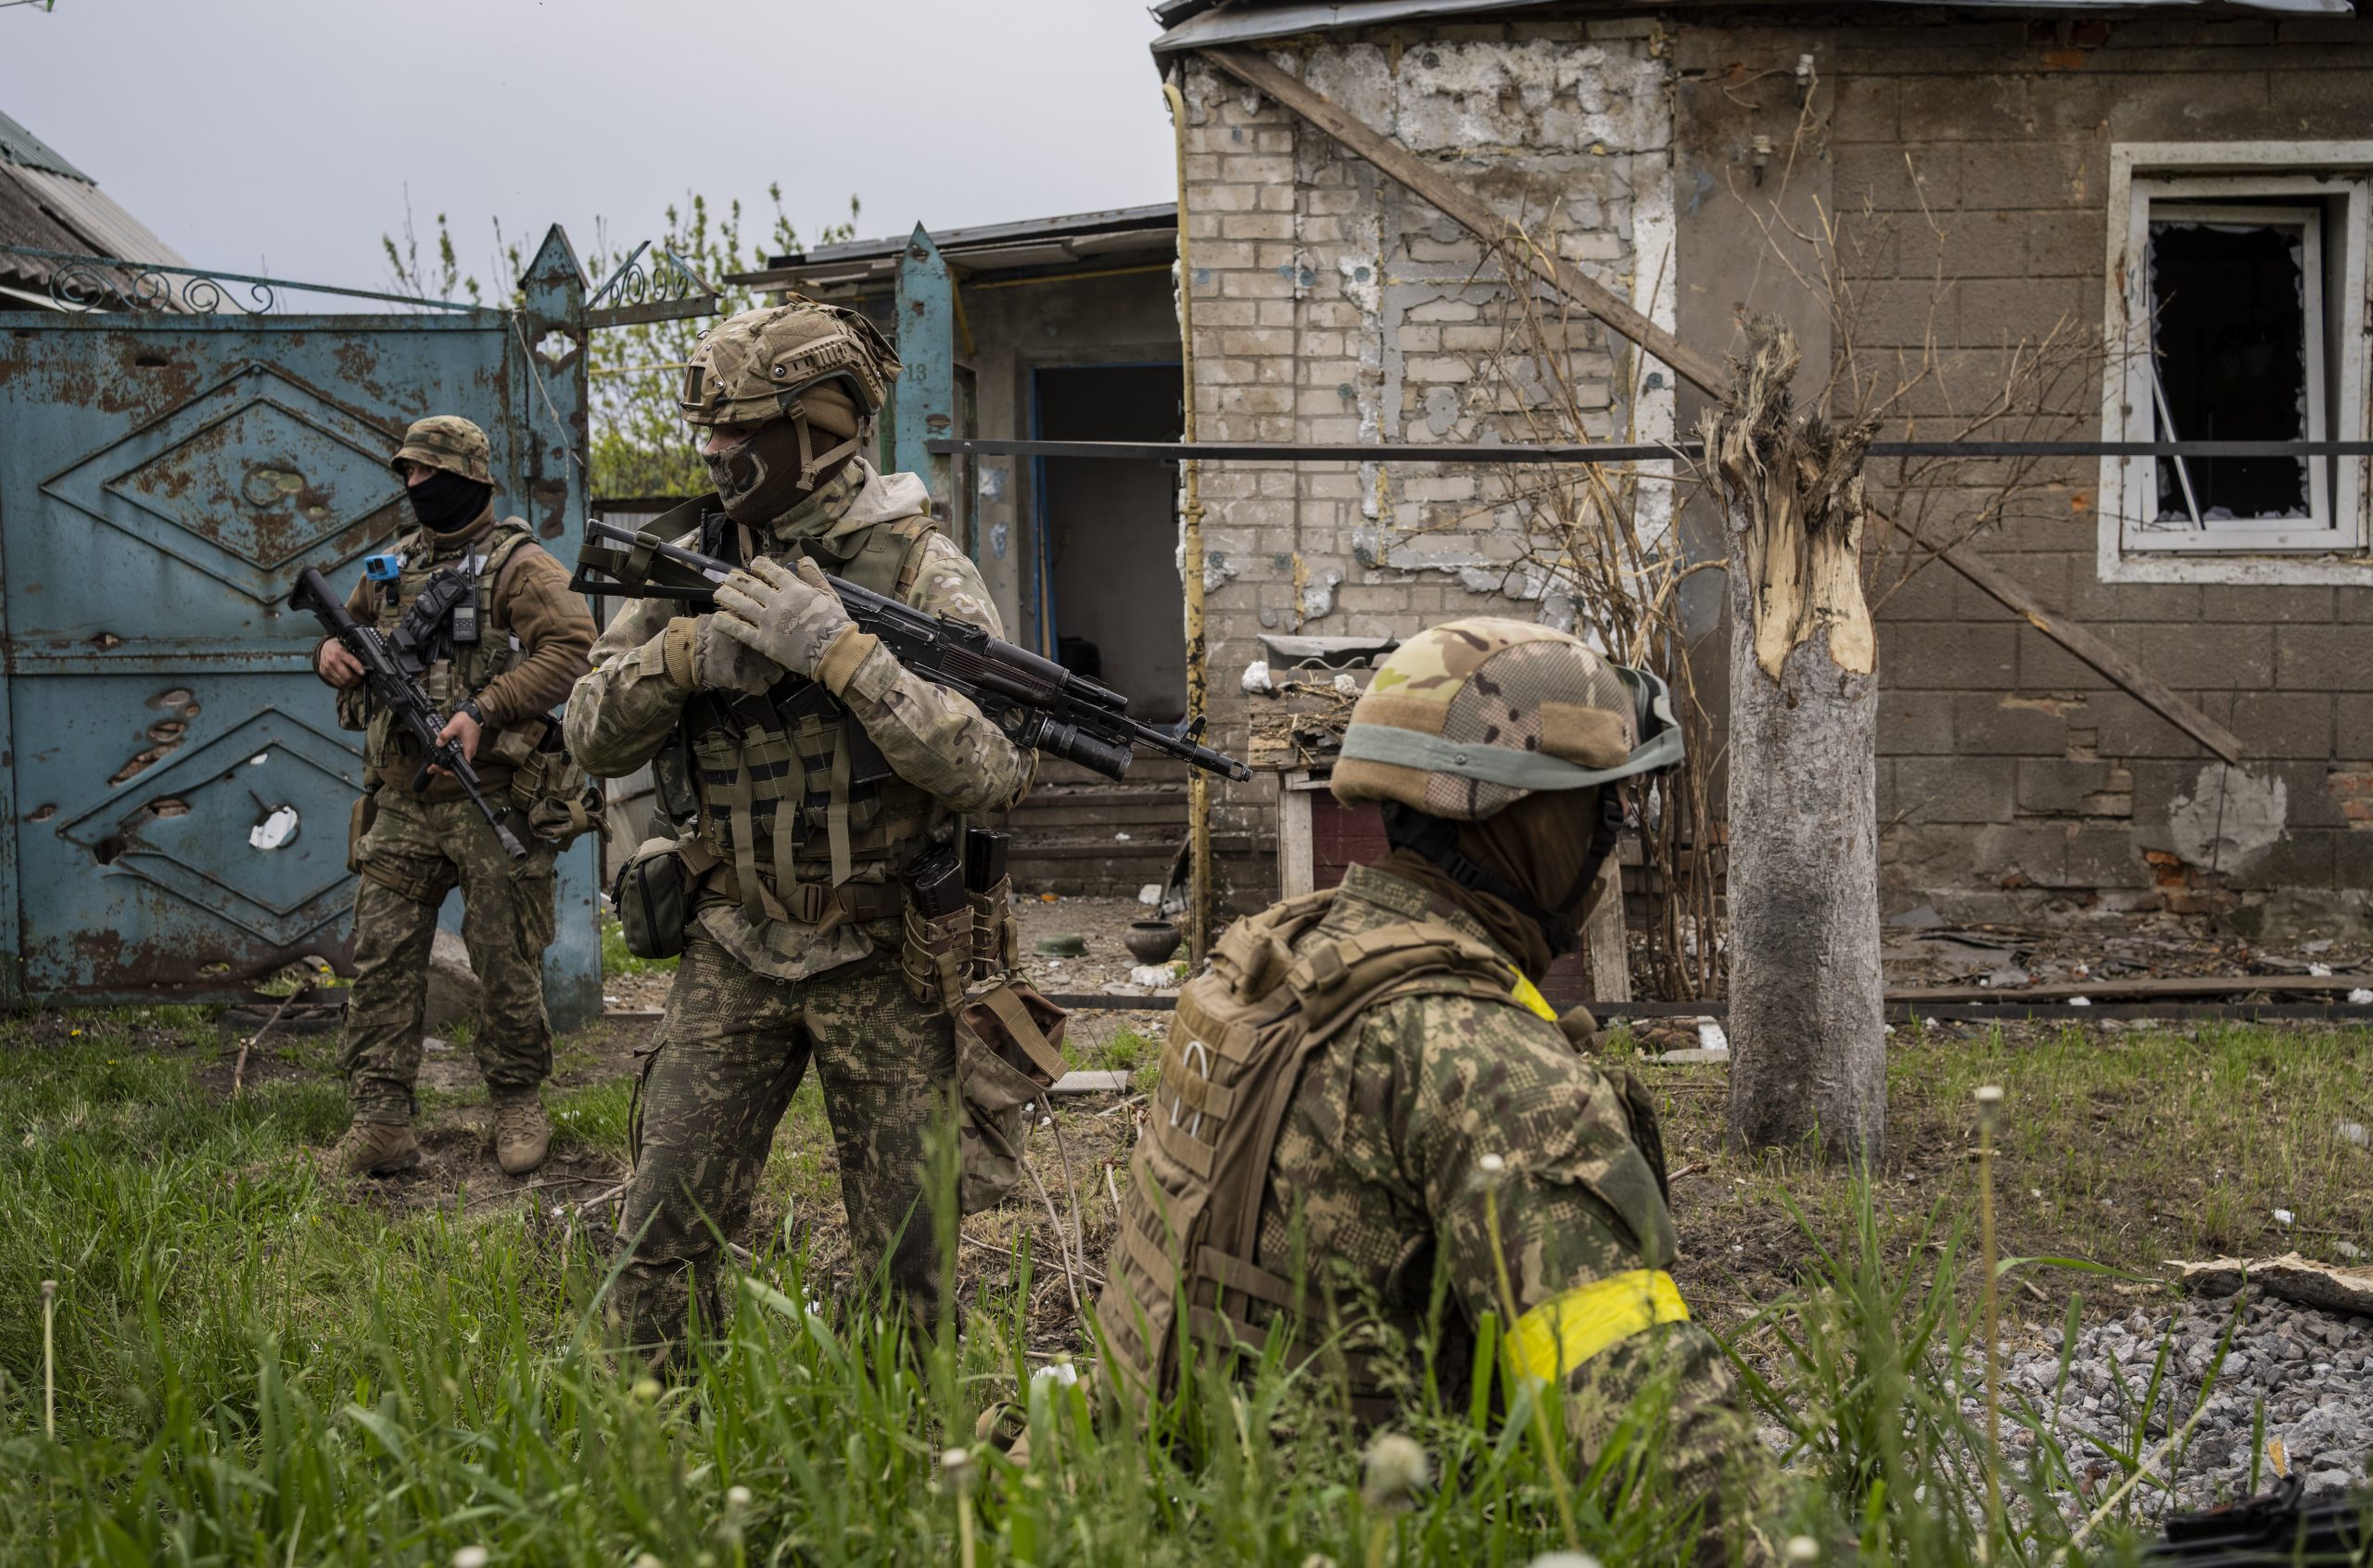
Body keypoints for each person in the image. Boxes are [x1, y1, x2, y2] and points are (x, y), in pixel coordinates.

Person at [1096, 618, 1758, 1554]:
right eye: (1603, 812)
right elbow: (1664, 1445)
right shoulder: (1482, 1063)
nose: (1610, 847)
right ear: (1536, 821)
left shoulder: (1278, 962)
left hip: (1172, 1507)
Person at [564, 302, 1034, 1357]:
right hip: (733, 939)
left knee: (908, 1258)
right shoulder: (694, 563)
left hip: (883, 954)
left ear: (820, 430)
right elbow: (586, 734)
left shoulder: (922, 573)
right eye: (712, 433)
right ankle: (656, 1458)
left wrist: (846, 659)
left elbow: (997, 769)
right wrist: (683, 659)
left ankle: (909, 1469)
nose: (717, 453)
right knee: (661, 1232)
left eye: (741, 431)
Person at [314, 415, 597, 1179]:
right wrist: (330, 655)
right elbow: (343, 633)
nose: (415, 486)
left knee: (505, 960)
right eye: (407, 473)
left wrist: (487, 708)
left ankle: (515, 1102)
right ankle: (381, 1122)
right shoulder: (388, 566)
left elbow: (575, 651)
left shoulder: (523, 567)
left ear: (472, 478)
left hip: (493, 801)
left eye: (429, 474)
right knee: (381, 955)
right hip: (401, 801)